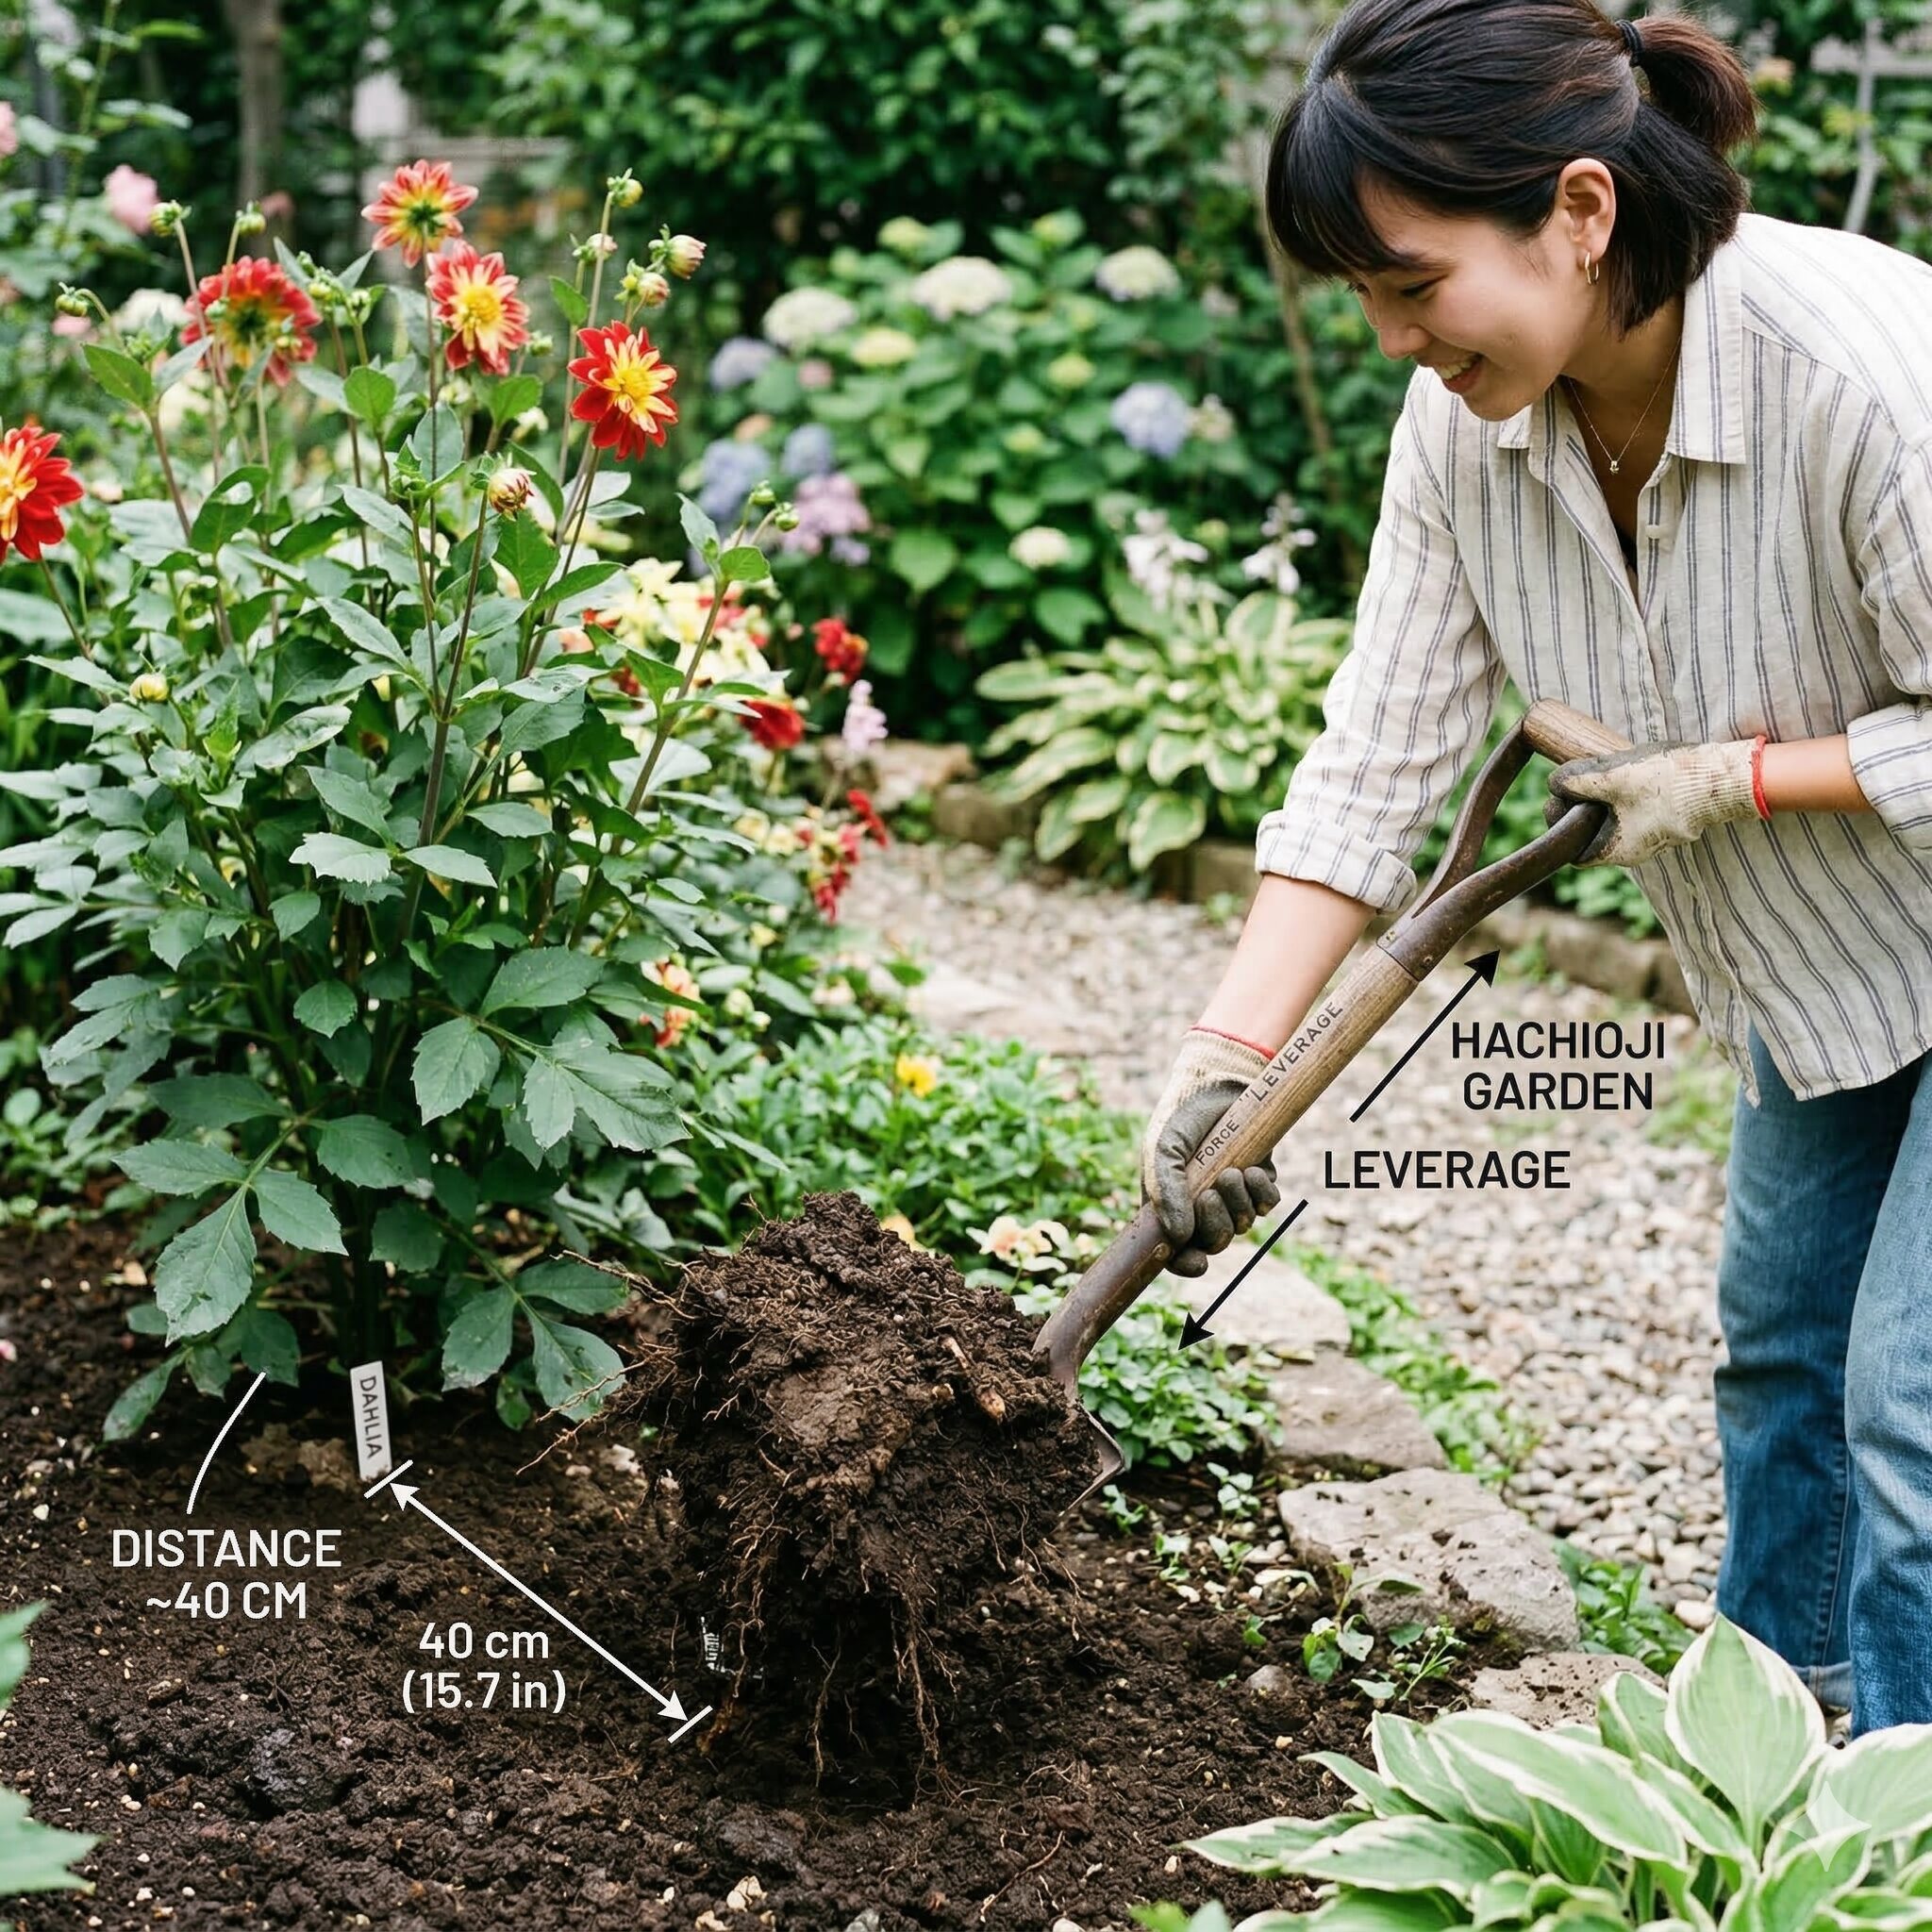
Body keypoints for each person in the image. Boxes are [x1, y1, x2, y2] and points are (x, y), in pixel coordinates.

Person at [1141, 0, 1932, 1734]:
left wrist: (1740, 778)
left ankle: (1902, 1821)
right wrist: (1229, 1056)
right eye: (1361, 294)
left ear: (1579, 210)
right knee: (1783, 1358)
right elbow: (1379, 758)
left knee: (1910, 1403)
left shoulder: (1858, 382)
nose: (1386, 336)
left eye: (1412, 284)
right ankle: (1771, 1755)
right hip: (1842, 958)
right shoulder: (1472, 432)